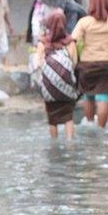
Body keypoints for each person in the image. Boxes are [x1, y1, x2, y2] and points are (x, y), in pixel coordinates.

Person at [71, 0, 108, 128]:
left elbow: (74, 41)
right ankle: (101, 128)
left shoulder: (84, 22)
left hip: (87, 64)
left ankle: (89, 124)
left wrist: (77, 59)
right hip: (107, 64)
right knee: (103, 96)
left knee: (88, 95)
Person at [35, 10, 78, 139]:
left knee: (52, 118)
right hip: (67, 84)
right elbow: (74, 62)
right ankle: (70, 142)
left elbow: (39, 63)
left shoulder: (43, 43)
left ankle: (54, 142)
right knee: (68, 116)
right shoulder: (70, 42)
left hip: (49, 86)